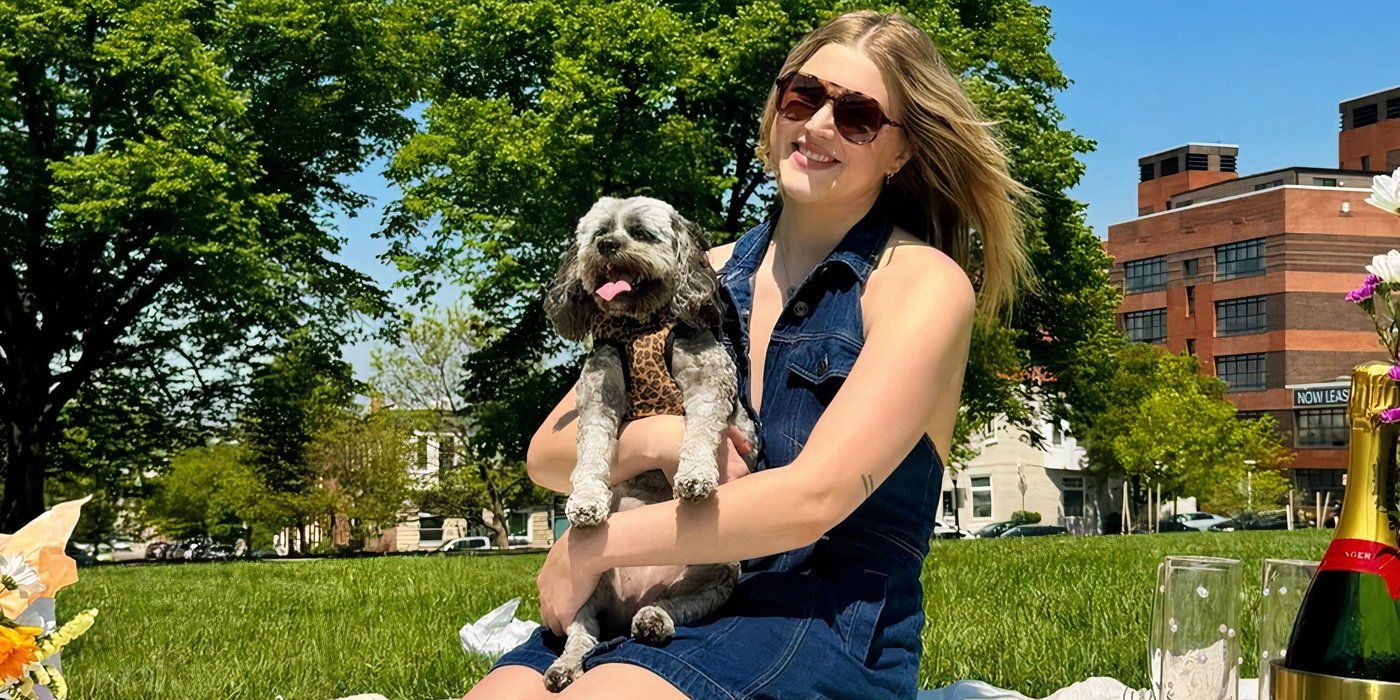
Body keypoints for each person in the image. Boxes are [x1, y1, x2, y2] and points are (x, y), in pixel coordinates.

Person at [465, 9, 1036, 699]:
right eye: (804, 95)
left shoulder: (921, 286)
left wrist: (593, 544)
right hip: (668, 592)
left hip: (820, 613)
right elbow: (547, 455)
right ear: (776, 109)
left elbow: (813, 497)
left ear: (902, 151)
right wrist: (655, 437)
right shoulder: (694, 275)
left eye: (857, 116)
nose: (819, 124)